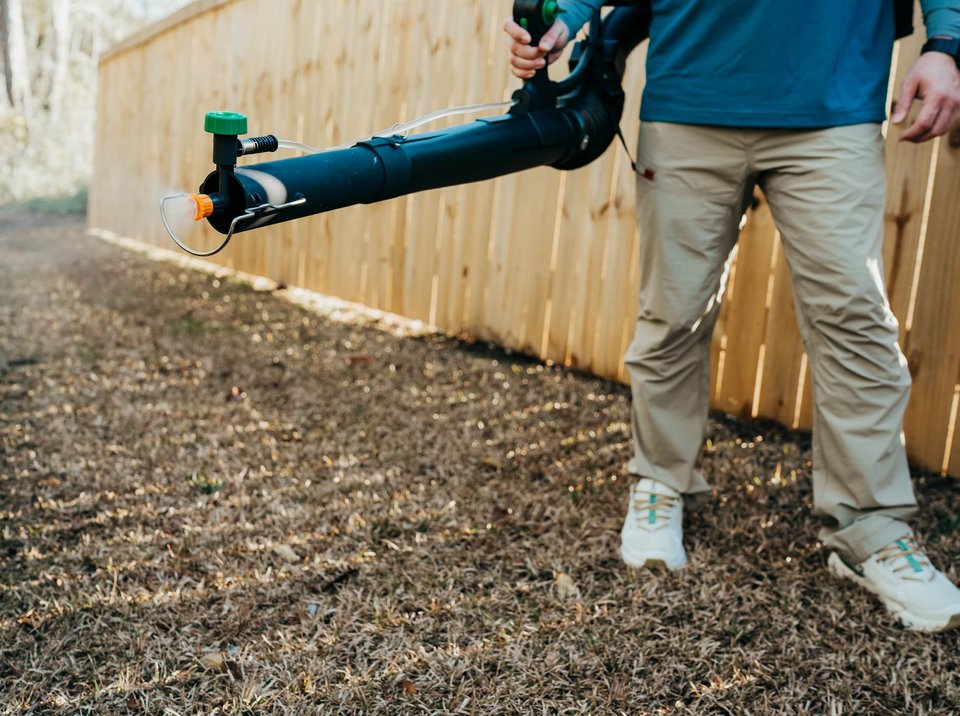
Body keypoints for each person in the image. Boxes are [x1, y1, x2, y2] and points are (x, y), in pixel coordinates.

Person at [505, 0, 960, 632]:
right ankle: (660, 483)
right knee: (673, 313)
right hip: (690, 101)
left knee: (854, 320)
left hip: (832, 106)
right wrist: (567, 16)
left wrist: (948, 42)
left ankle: (871, 530)